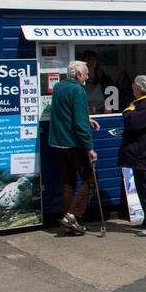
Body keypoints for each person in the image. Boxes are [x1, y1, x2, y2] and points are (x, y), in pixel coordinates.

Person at [48, 60, 100, 235]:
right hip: (73, 143)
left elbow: (65, 113)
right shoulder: (78, 90)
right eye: (85, 73)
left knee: (68, 182)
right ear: (78, 75)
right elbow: (79, 123)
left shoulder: (59, 87)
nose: (87, 76)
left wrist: (88, 118)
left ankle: (67, 220)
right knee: (91, 179)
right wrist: (89, 148)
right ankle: (72, 216)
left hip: (58, 141)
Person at [119, 75, 146, 236]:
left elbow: (134, 123)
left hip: (144, 153)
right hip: (142, 152)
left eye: (134, 87)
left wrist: (129, 109)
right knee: (143, 188)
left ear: (140, 89)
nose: (132, 89)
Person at [81, 49, 116, 115]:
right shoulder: (79, 80)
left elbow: (113, 98)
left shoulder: (105, 79)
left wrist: (109, 108)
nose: (90, 62)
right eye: (87, 60)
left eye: (92, 60)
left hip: (102, 114)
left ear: (96, 62)